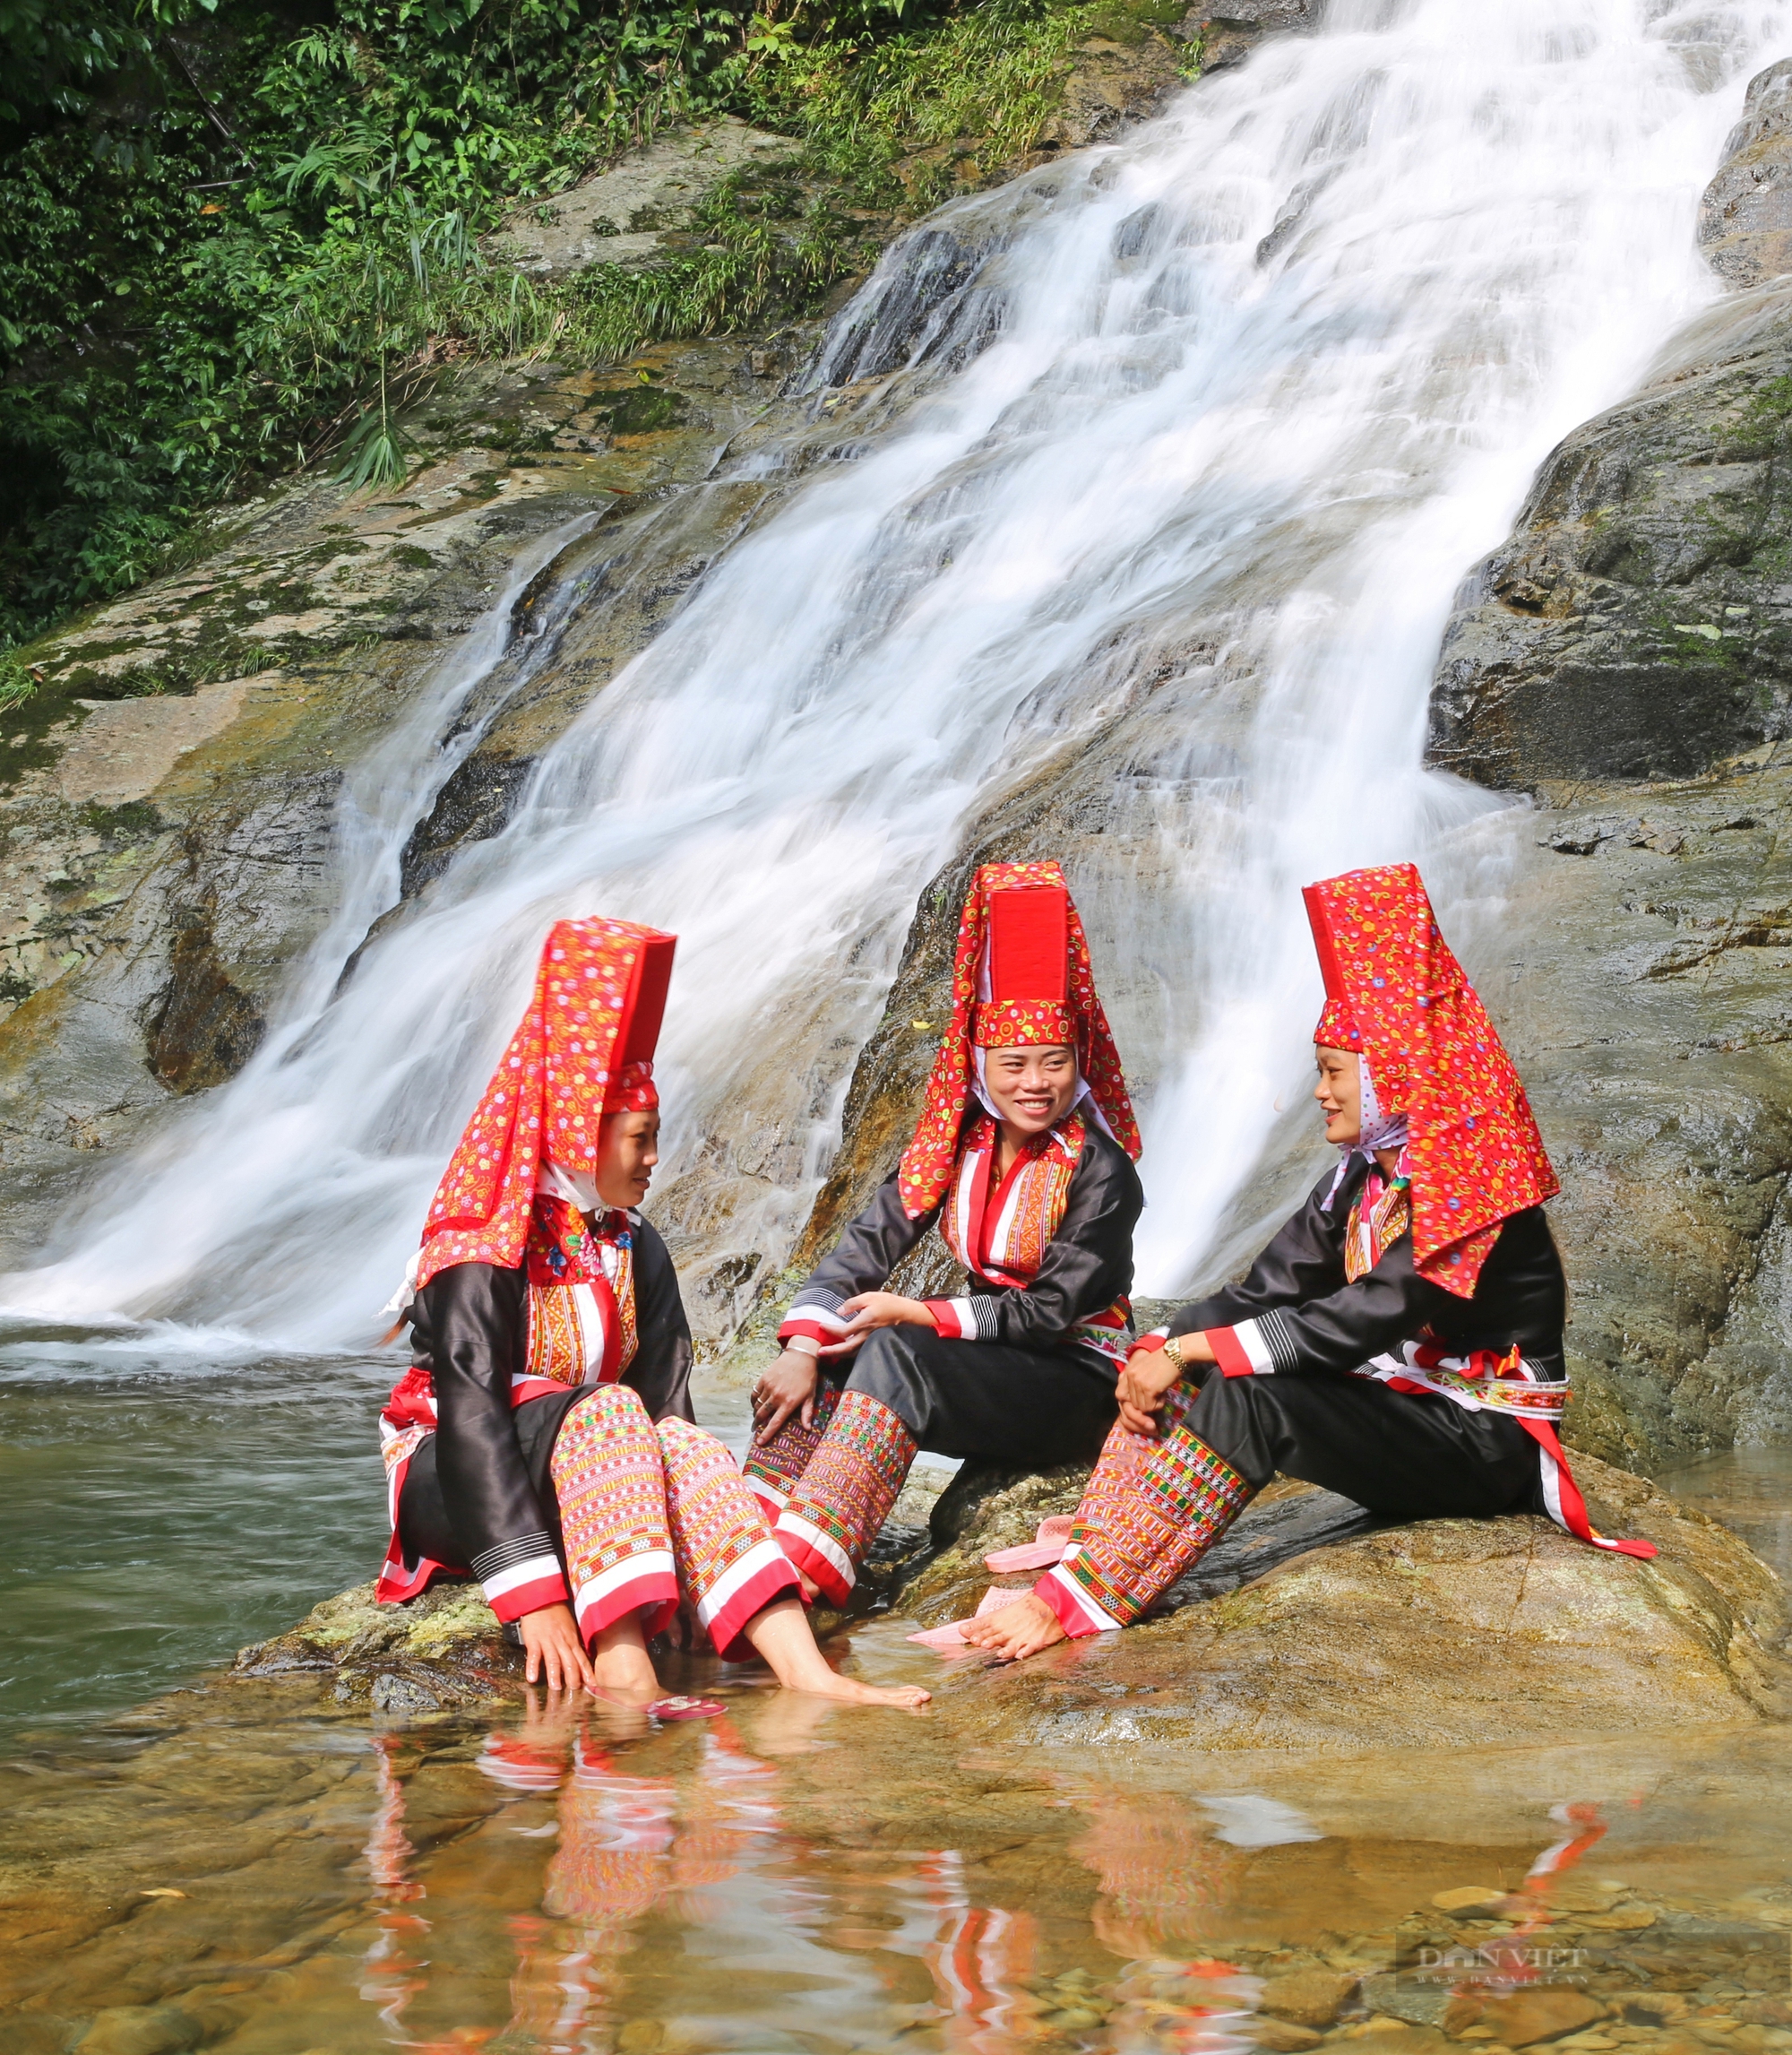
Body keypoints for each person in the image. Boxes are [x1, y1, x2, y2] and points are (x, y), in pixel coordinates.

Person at [965, 860, 1655, 1662]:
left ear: (1391, 1075)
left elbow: (1356, 1321)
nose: (1320, 1093)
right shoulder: (1362, 1177)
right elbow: (1269, 1288)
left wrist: (1189, 1349)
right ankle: (1105, 1533)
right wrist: (1165, 1345)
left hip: (1484, 1441)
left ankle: (1076, 1601)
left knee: (1253, 1397)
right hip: (1417, 1404)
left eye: (1333, 1073)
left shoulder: (1474, 1186)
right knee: (1193, 1355)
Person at [374, 914, 926, 1712]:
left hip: (591, 1466)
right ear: (576, 1131)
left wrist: (683, 1552)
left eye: (654, 1137)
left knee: (682, 1443)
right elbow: (472, 1415)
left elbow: (666, 1406)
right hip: (456, 1480)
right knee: (608, 1415)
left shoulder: (634, 1243)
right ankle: (625, 1666)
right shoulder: (481, 1242)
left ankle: (807, 1673)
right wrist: (532, 1595)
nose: (653, 1159)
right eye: (638, 1139)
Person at [745, 860, 1144, 1607]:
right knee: (831, 1351)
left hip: (1076, 1378)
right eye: (1014, 1063)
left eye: (1055, 1062)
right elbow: (862, 1250)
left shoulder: (1102, 1170)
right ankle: (749, 1541)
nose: (1036, 1082)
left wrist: (916, 1314)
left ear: (1078, 1063)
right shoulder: (952, 1150)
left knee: (896, 1346)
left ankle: (807, 1572)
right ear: (979, 1065)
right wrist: (803, 1346)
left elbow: (1048, 1314)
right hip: (989, 1363)